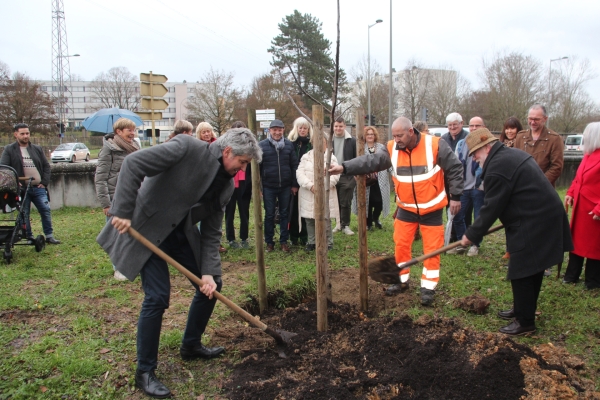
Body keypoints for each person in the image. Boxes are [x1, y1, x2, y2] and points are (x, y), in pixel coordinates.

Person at [97, 129, 262, 398]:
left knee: (212, 285)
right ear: (228, 151)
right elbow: (133, 163)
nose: (243, 169)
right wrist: (123, 211)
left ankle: (191, 346)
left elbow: (210, 232)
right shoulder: (185, 147)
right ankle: (145, 372)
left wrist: (207, 272)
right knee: (158, 296)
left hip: (179, 233)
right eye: (242, 162)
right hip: (147, 228)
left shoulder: (226, 185)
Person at [334, 117, 463, 306]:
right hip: (406, 208)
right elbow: (371, 161)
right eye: (394, 136)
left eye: (400, 136)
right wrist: (344, 167)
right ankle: (401, 281)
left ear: (411, 131)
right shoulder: (391, 148)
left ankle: (428, 288)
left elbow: (455, 168)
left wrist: (456, 196)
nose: (397, 140)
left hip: (432, 208)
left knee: (432, 249)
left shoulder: (435, 145)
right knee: (401, 245)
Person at [460, 128, 572, 336]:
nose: (474, 158)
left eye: (475, 153)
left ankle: (525, 322)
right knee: (530, 268)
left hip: (535, 219)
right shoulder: (508, 156)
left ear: (486, 147)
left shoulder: (497, 167)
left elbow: (492, 206)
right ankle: (521, 309)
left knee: (523, 269)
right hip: (536, 215)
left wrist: (472, 234)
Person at [95, 118, 141, 281]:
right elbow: (100, 178)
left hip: (134, 197)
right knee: (116, 235)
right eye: (128, 130)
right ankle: (118, 268)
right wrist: (106, 203)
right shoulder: (109, 149)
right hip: (115, 199)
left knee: (134, 233)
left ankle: (133, 265)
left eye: (133, 130)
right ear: (118, 132)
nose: (132, 133)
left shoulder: (135, 147)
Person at [1, 123, 60, 244]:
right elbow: (5, 169)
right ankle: (29, 236)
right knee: (24, 212)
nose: (25, 136)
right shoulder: (9, 150)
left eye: (27, 133)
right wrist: (15, 184)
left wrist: (44, 183)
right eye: (22, 134)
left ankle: (49, 236)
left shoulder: (37, 149)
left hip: (38, 188)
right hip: (21, 188)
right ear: (16, 134)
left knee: (45, 209)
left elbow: (46, 167)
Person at [563, 122, 600, 290]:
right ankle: (571, 275)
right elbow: (578, 178)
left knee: (594, 247)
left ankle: (592, 281)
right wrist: (570, 192)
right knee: (576, 243)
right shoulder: (587, 154)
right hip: (580, 206)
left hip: (593, 210)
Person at [258, 119, 299, 252]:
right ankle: (269, 242)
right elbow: (258, 168)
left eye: (279, 130)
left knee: (284, 213)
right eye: (274, 130)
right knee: (269, 214)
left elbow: (294, 165)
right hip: (268, 186)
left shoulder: (289, 145)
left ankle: (283, 241)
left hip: (286, 186)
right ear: (269, 131)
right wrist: (259, 188)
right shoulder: (262, 145)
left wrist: (294, 184)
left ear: (283, 130)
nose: (277, 132)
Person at [448, 116, 486, 257]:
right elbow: (456, 166)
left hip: (478, 188)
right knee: (457, 215)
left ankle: (475, 244)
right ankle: (462, 242)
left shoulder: (487, 145)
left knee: (478, 218)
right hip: (463, 188)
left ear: (483, 127)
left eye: (477, 125)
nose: (474, 128)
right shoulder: (461, 144)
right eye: (472, 126)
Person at [296, 132, 339, 251]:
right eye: (317, 142)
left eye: (323, 142)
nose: (320, 145)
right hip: (309, 192)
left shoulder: (331, 158)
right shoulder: (306, 157)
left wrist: (323, 187)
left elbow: (335, 176)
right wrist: (310, 186)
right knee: (309, 219)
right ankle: (312, 242)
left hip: (325, 192)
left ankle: (328, 242)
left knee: (326, 218)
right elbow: (299, 173)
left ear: (326, 143)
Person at [351, 126, 393, 230]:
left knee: (379, 201)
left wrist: (392, 172)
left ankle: (375, 218)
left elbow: (387, 160)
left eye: (372, 134)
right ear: (365, 136)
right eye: (368, 134)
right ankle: (368, 224)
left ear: (375, 136)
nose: (370, 136)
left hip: (380, 179)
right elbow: (356, 161)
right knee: (367, 202)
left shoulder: (381, 147)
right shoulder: (361, 148)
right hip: (367, 180)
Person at [514, 104, 564, 187]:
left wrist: (539, 182)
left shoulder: (554, 139)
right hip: (521, 187)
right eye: (530, 119)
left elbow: (557, 166)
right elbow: (514, 161)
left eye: (536, 119)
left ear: (545, 119)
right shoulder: (520, 136)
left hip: (543, 189)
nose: (533, 122)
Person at [196, 122, 226, 253]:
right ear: (199, 134)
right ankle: (198, 242)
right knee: (199, 214)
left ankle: (215, 243)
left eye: (208, 131)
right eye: (204, 132)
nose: (207, 134)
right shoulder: (197, 147)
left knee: (215, 213)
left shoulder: (219, 146)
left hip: (216, 184)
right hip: (201, 185)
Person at [499, 116, 523, 260]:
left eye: (512, 128)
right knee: (507, 220)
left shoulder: (521, 144)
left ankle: (518, 249)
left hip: (518, 187)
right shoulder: (501, 144)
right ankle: (510, 249)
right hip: (505, 186)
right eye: (507, 128)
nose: (509, 131)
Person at [225, 121, 252, 249]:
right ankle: (231, 239)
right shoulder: (227, 147)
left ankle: (244, 238)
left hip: (244, 184)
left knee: (244, 213)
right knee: (229, 213)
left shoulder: (249, 147)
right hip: (229, 184)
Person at [288, 117, 313, 245]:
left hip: (308, 182)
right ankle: (293, 236)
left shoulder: (311, 144)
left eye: (305, 128)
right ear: (296, 129)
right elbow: (291, 164)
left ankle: (305, 236)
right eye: (300, 128)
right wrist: (294, 183)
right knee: (293, 211)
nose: (303, 130)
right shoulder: (290, 143)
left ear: (308, 129)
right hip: (294, 181)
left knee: (305, 211)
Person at [331, 117, 357, 235]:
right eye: (336, 126)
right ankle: (337, 224)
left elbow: (357, 158)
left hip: (347, 175)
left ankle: (345, 225)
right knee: (335, 201)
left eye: (340, 126)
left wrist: (356, 174)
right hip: (332, 175)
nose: (338, 128)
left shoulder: (352, 141)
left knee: (345, 201)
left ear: (344, 127)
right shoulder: (329, 140)